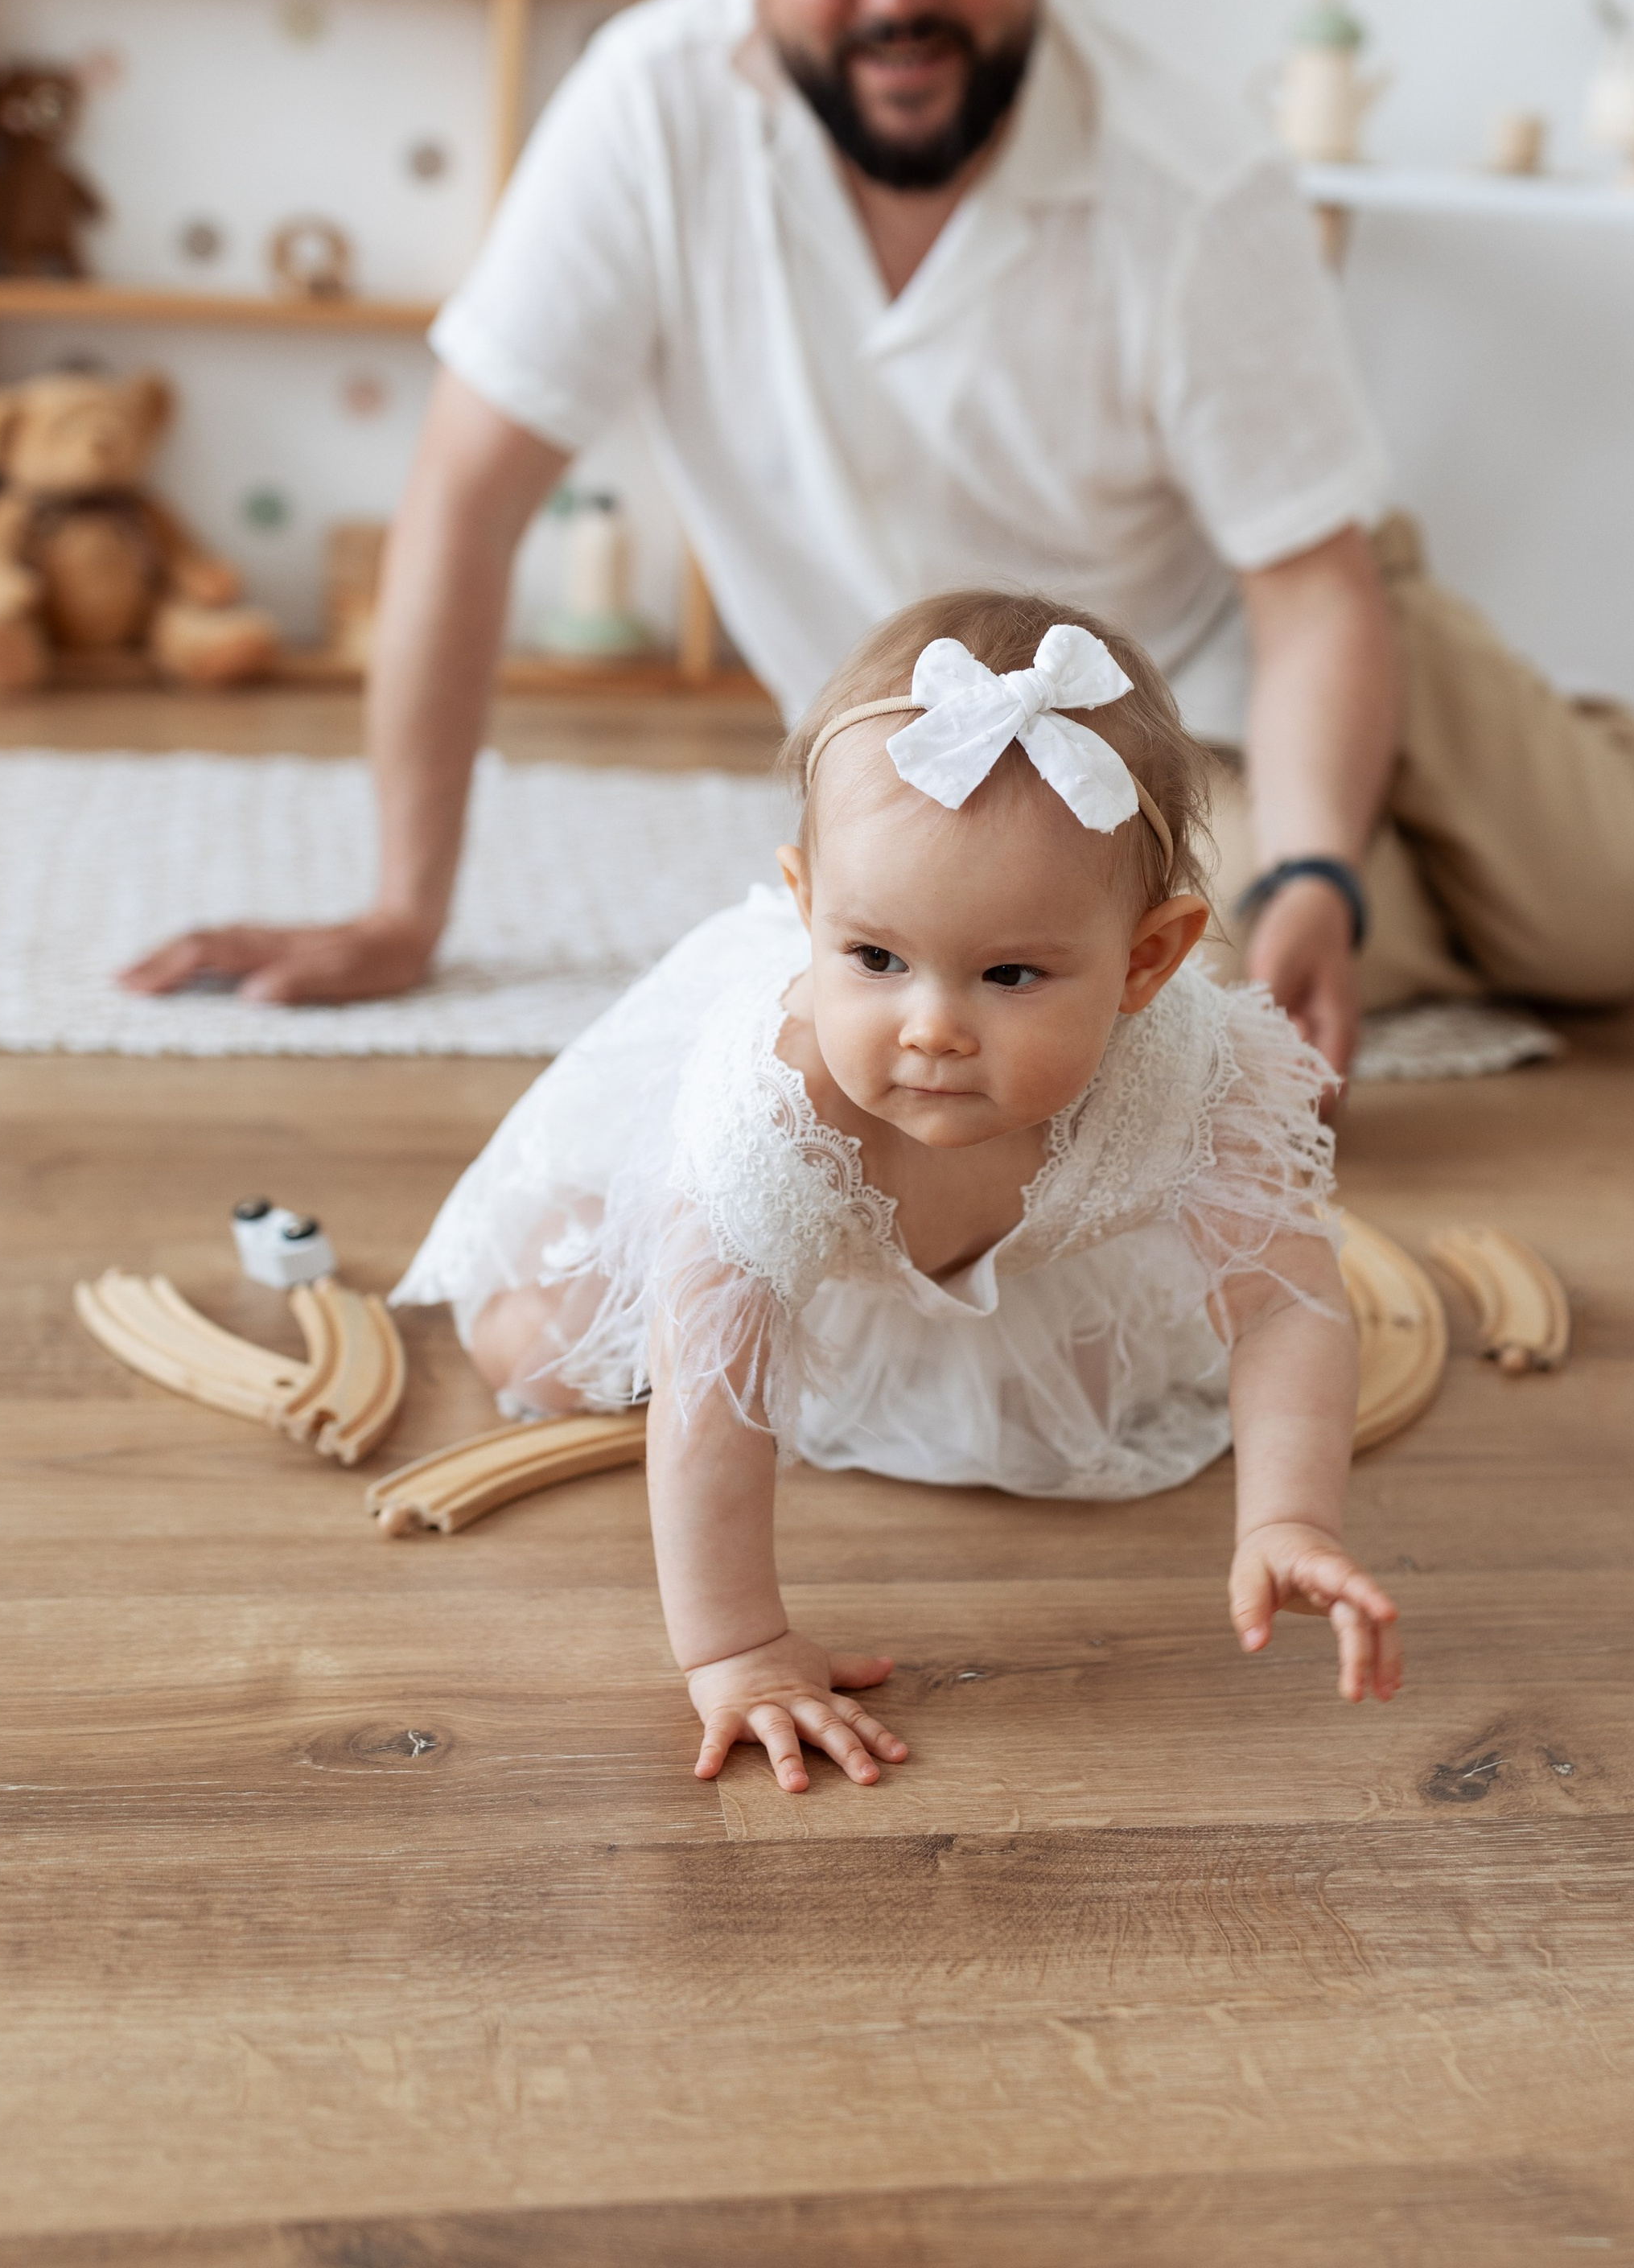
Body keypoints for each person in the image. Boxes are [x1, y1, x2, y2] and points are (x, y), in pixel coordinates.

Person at [123, 0, 1634, 1071]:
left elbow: (1307, 593)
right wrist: (406, 909)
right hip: (975, 752)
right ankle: (1449, 850)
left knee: (1616, 928)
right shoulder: (647, 113)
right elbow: (465, 507)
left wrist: (1306, 863)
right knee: (1145, 992)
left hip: (1254, 640)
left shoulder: (1189, 183)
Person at [389, 591, 1403, 1793]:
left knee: (1085, 1410)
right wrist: (738, 1647)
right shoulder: (771, 1110)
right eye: (874, 959)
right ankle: (609, 1255)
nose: (931, 1029)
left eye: (1011, 973)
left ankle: (941, 1273)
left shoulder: (1193, 1073)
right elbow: (718, 1395)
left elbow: (1285, 1301)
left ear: (1149, 961)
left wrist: (1291, 1516)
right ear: (808, 906)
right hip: (784, 1205)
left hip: (1009, 1234)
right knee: (540, 1354)